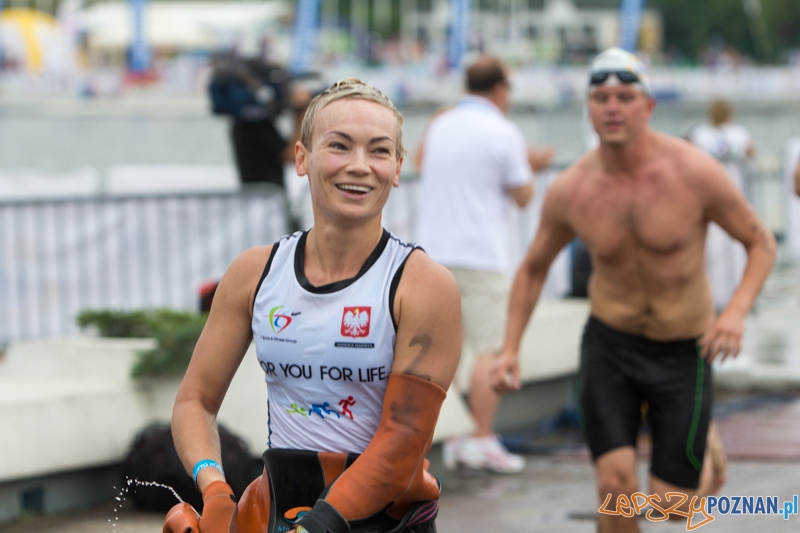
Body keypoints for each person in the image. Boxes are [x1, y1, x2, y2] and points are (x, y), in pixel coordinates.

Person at [492, 47, 776, 533]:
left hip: (684, 349)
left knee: (672, 508)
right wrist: (510, 347)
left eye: (625, 96)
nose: (612, 107)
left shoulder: (693, 172)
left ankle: (702, 446)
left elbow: (760, 242)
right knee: (614, 491)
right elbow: (534, 268)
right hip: (611, 345)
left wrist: (735, 313)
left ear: (648, 107)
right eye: (601, 97)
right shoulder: (572, 189)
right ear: (588, 108)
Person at [163, 78, 462, 533]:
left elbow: (402, 444)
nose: (360, 166)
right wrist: (215, 488)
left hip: (382, 518)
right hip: (281, 511)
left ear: (398, 168)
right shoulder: (255, 272)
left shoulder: (422, 285)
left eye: (379, 151)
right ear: (302, 158)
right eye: (339, 146)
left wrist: (319, 525)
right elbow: (195, 400)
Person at [415, 55, 553, 474]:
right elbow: (524, 196)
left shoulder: (441, 122)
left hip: (433, 251)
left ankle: (454, 437)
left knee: (445, 349)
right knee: (489, 349)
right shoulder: (503, 130)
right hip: (481, 253)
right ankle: (480, 438)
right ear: (500, 89)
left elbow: (420, 161)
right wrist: (532, 164)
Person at [688, 100, 756, 310]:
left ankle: (713, 297)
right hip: (736, 199)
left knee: (711, 250)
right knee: (739, 248)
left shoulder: (700, 134)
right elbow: (751, 152)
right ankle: (739, 296)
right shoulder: (739, 133)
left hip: (708, 202)